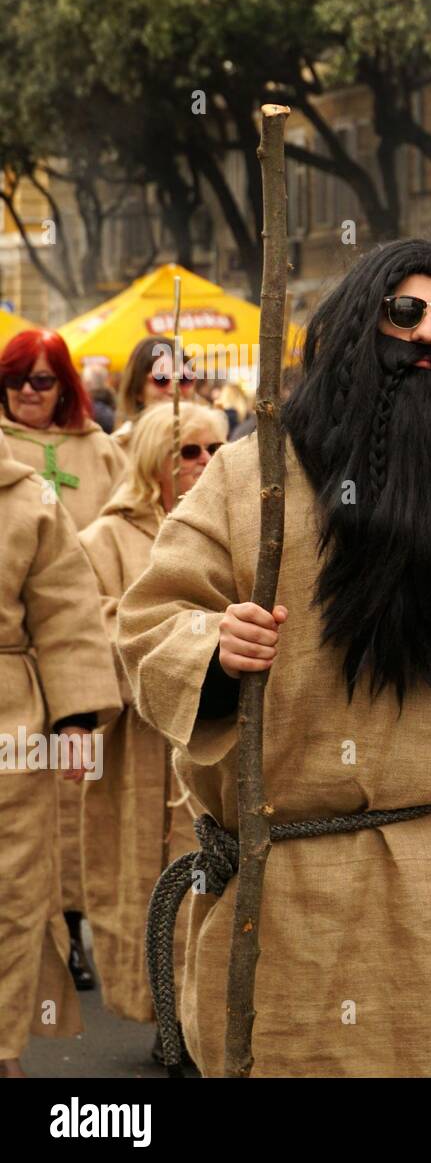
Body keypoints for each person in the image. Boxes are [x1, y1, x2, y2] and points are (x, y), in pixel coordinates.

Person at [116, 240, 431, 1077]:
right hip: (288, 898)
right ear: (361, 327)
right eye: (405, 312)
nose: (429, 335)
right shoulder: (254, 480)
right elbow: (150, 620)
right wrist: (215, 647)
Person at [78, 402, 228, 1040]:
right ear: (153, 462)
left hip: (208, 738)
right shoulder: (102, 540)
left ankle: (202, 1020)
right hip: (138, 745)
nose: (205, 464)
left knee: (210, 881)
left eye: (215, 450)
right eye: (189, 452)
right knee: (143, 883)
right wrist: (171, 647)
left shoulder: (231, 528)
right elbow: (91, 629)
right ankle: (162, 1020)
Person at [1, 328, 127, 990]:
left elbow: (128, 520)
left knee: (58, 828)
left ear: (66, 387)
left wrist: (79, 709)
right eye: (18, 378)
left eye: (43, 379)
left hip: (60, 667)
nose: (28, 391)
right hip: (21, 674)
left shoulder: (97, 452)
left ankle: (70, 931)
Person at [0, 452, 120, 1077]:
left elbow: (67, 611)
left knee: (12, 889)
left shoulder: (28, 499)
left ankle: (2, 1048)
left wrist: (74, 719)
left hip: (11, 728)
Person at [112, 336, 199, 445]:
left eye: (184, 379)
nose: (175, 390)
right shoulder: (119, 448)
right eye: (161, 379)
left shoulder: (209, 442)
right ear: (138, 391)